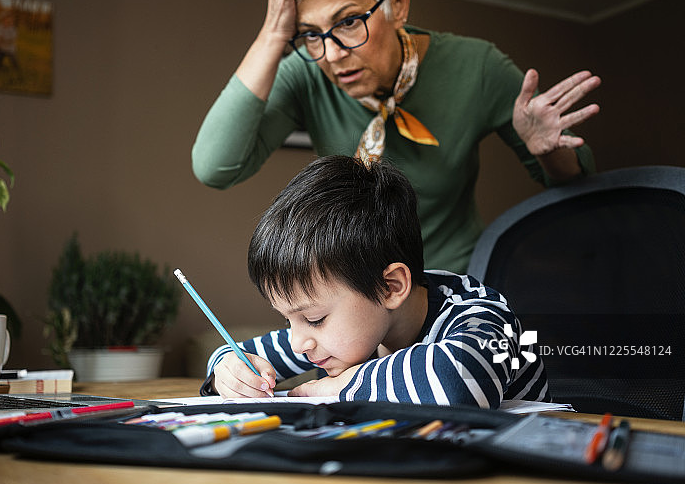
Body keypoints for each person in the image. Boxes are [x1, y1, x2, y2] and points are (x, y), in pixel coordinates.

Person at [192, 0, 600, 273]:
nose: (331, 55)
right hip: (353, 298)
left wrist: (547, 150)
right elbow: (215, 167)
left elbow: (575, 179)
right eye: (311, 33)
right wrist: (274, 33)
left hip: (455, 295)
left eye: (349, 22)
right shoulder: (305, 70)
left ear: (398, 5)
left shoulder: (477, 68)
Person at [202, 155, 550, 407]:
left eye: (313, 319)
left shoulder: (482, 314)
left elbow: (459, 382)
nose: (297, 344)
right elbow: (237, 353)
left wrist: (341, 386)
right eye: (288, 319)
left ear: (391, 287)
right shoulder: (342, 335)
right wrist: (228, 370)